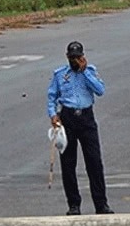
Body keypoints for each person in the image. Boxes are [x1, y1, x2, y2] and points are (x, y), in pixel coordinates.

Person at [46, 41, 113, 215]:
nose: (76, 61)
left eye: (78, 57)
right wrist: (53, 114)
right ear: (67, 57)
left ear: (83, 56)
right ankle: (74, 205)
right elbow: (52, 96)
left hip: (86, 118)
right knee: (68, 164)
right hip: (67, 118)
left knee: (94, 163)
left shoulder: (90, 71)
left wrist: (85, 73)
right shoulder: (60, 74)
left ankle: (101, 203)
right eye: (72, 58)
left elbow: (100, 90)